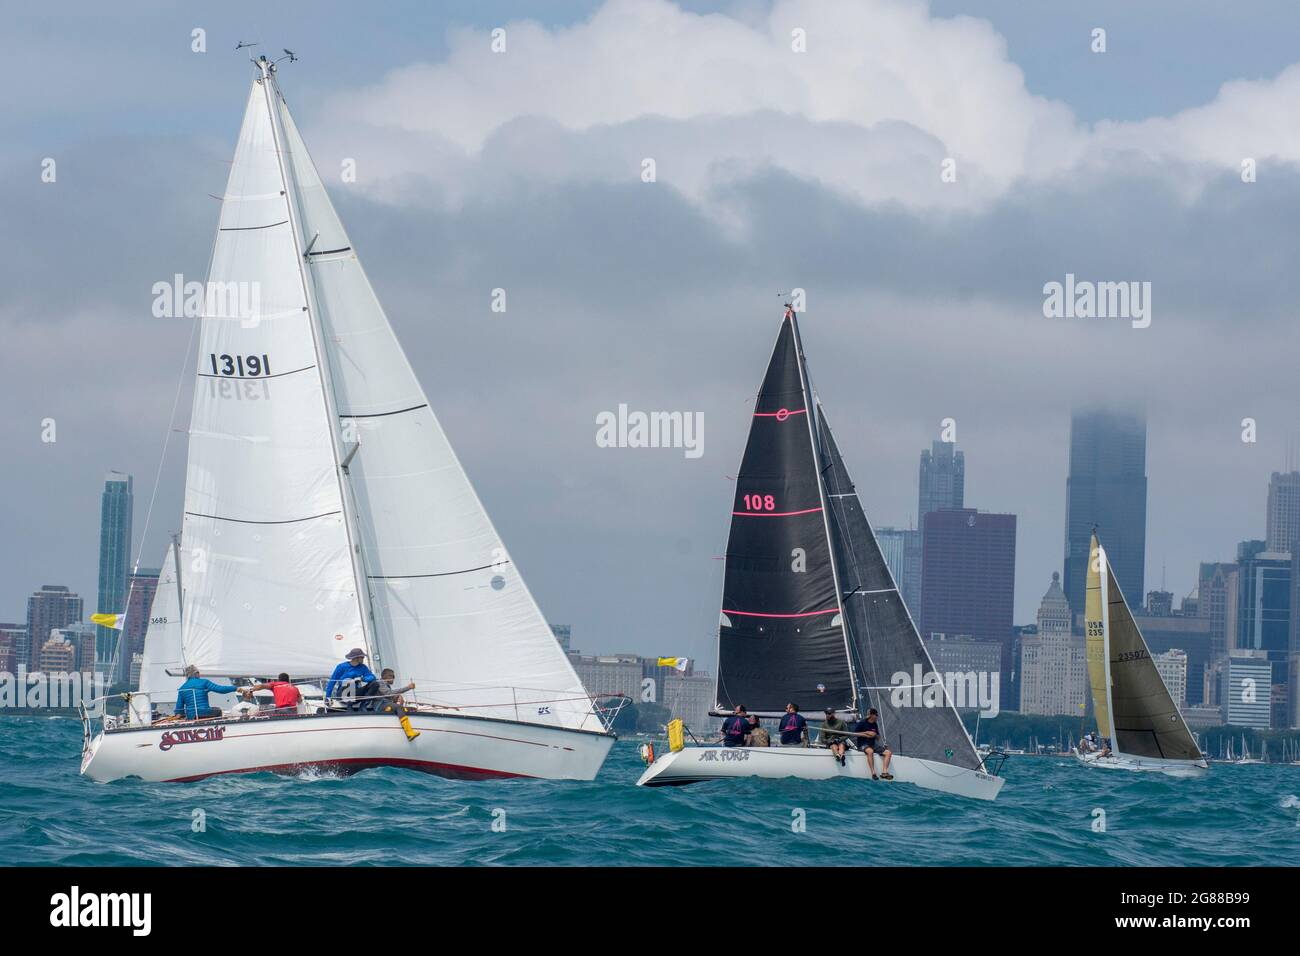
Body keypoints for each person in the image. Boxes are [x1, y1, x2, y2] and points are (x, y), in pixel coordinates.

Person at [174, 665, 239, 721]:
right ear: (196, 673)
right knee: (218, 710)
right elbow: (221, 689)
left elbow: (179, 709)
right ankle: (216, 729)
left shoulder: (182, 688)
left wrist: (179, 715)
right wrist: (235, 688)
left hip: (191, 716)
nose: (199, 675)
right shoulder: (204, 682)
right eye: (198, 673)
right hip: (204, 712)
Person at [853, 707, 893, 780]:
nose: (877, 716)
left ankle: (884, 772)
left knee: (888, 753)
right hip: (863, 744)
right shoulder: (862, 723)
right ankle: (873, 773)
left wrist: (875, 734)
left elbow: (878, 738)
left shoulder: (875, 724)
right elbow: (855, 734)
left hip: (873, 744)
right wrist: (866, 732)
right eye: (876, 715)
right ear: (872, 715)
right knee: (870, 751)